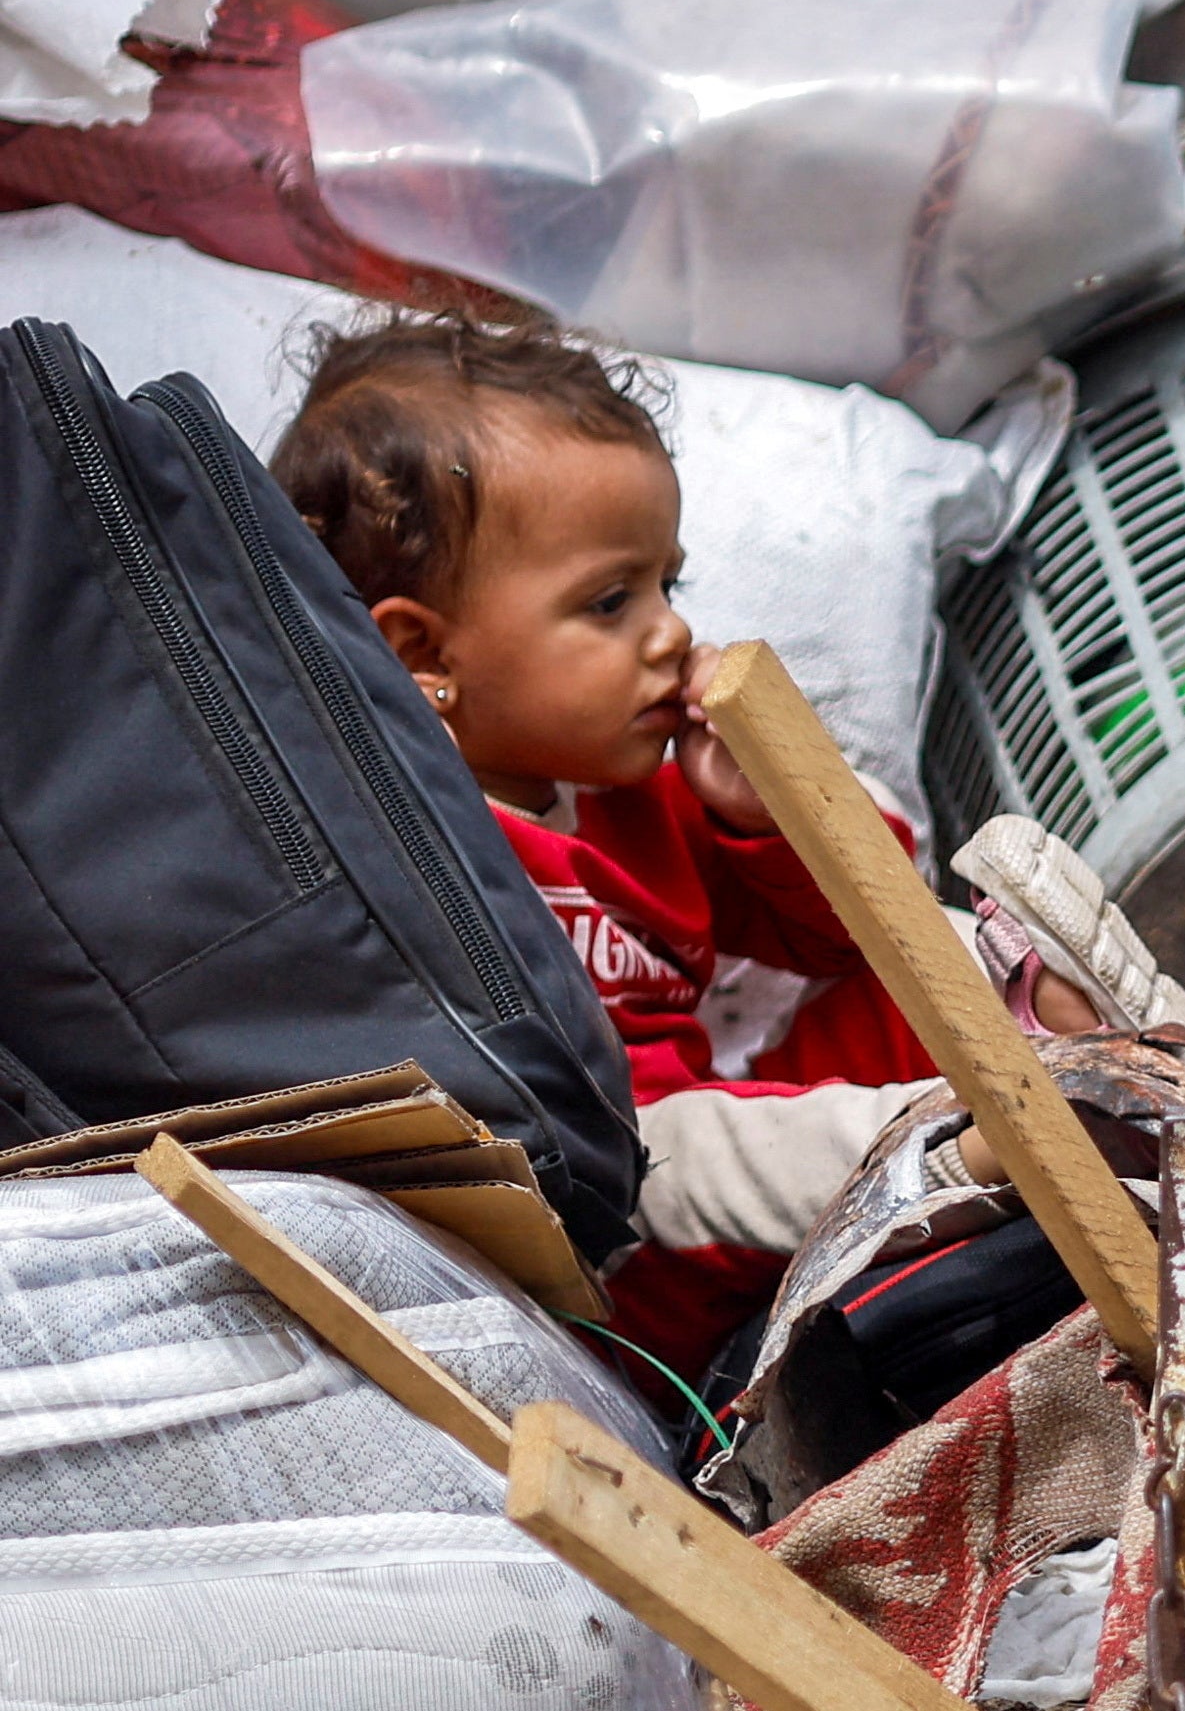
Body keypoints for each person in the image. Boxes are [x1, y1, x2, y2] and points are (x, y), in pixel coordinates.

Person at [273, 318, 941, 1373]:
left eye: (669, 584)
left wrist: (758, 812)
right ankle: (972, 1147)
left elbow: (855, 935)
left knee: (959, 960)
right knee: (776, 1145)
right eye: (611, 600)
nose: (670, 632)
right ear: (421, 653)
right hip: (617, 1223)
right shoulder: (402, 846)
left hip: (726, 1135)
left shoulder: (637, 795)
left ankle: (1064, 1082)